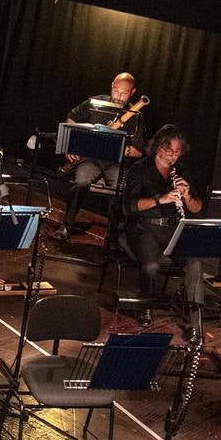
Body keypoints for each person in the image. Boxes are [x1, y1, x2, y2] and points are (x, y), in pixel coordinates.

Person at [122, 124, 204, 332]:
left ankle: (195, 322)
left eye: (177, 152)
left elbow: (196, 208)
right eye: (169, 151)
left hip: (173, 228)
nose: (173, 156)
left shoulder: (181, 171)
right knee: (151, 266)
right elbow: (130, 206)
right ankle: (145, 306)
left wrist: (186, 195)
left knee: (194, 263)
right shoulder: (139, 169)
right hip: (144, 227)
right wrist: (161, 199)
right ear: (159, 147)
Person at [56, 72, 148, 239]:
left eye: (124, 93)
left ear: (132, 92)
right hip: (90, 159)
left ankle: (115, 236)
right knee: (80, 183)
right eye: (116, 91)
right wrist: (72, 144)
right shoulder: (95, 102)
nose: (119, 97)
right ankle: (66, 226)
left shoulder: (136, 115)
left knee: (121, 191)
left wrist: (113, 146)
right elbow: (71, 118)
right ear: (112, 86)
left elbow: (138, 150)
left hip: (115, 162)